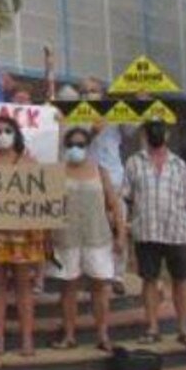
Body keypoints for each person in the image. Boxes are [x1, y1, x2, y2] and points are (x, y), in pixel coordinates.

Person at [123, 117, 186, 348]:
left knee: (181, 279)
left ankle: (184, 328)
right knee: (149, 279)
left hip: (176, 230)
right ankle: (152, 327)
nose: (157, 134)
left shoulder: (179, 164)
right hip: (147, 229)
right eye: (151, 130)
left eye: (161, 130)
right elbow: (126, 196)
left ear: (167, 135)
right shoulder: (133, 162)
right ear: (144, 136)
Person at [49, 127, 126, 352]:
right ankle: (69, 334)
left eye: (81, 144)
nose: (76, 148)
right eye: (71, 144)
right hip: (66, 238)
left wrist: (120, 235)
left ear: (88, 147)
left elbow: (114, 205)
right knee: (68, 288)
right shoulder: (57, 172)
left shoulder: (100, 171)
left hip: (97, 237)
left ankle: (103, 334)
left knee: (100, 287)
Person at [0, 114, 45, 356]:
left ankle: (26, 339)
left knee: (24, 286)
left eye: (7, 130)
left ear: (16, 133)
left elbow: (41, 198)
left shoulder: (29, 163)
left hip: (24, 233)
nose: (2, 135)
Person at [80, 76, 133, 295]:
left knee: (118, 223)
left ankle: (118, 274)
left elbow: (130, 130)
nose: (87, 94)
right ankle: (91, 271)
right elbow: (74, 142)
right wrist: (91, 131)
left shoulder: (116, 111)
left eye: (92, 90)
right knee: (91, 226)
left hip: (114, 175)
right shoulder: (78, 114)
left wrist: (139, 100)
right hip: (88, 175)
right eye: (83, 91)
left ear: (102, 93)